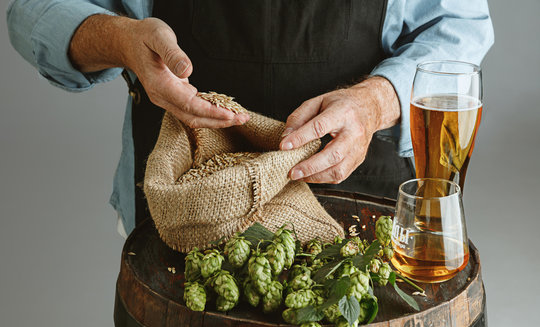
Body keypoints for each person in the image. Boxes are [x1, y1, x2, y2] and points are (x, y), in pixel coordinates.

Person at [7, 0, 494, 236]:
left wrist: (374, 102)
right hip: (184, 226)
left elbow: (458, 28)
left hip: (364, 227)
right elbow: (33, 14)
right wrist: (123, 41)